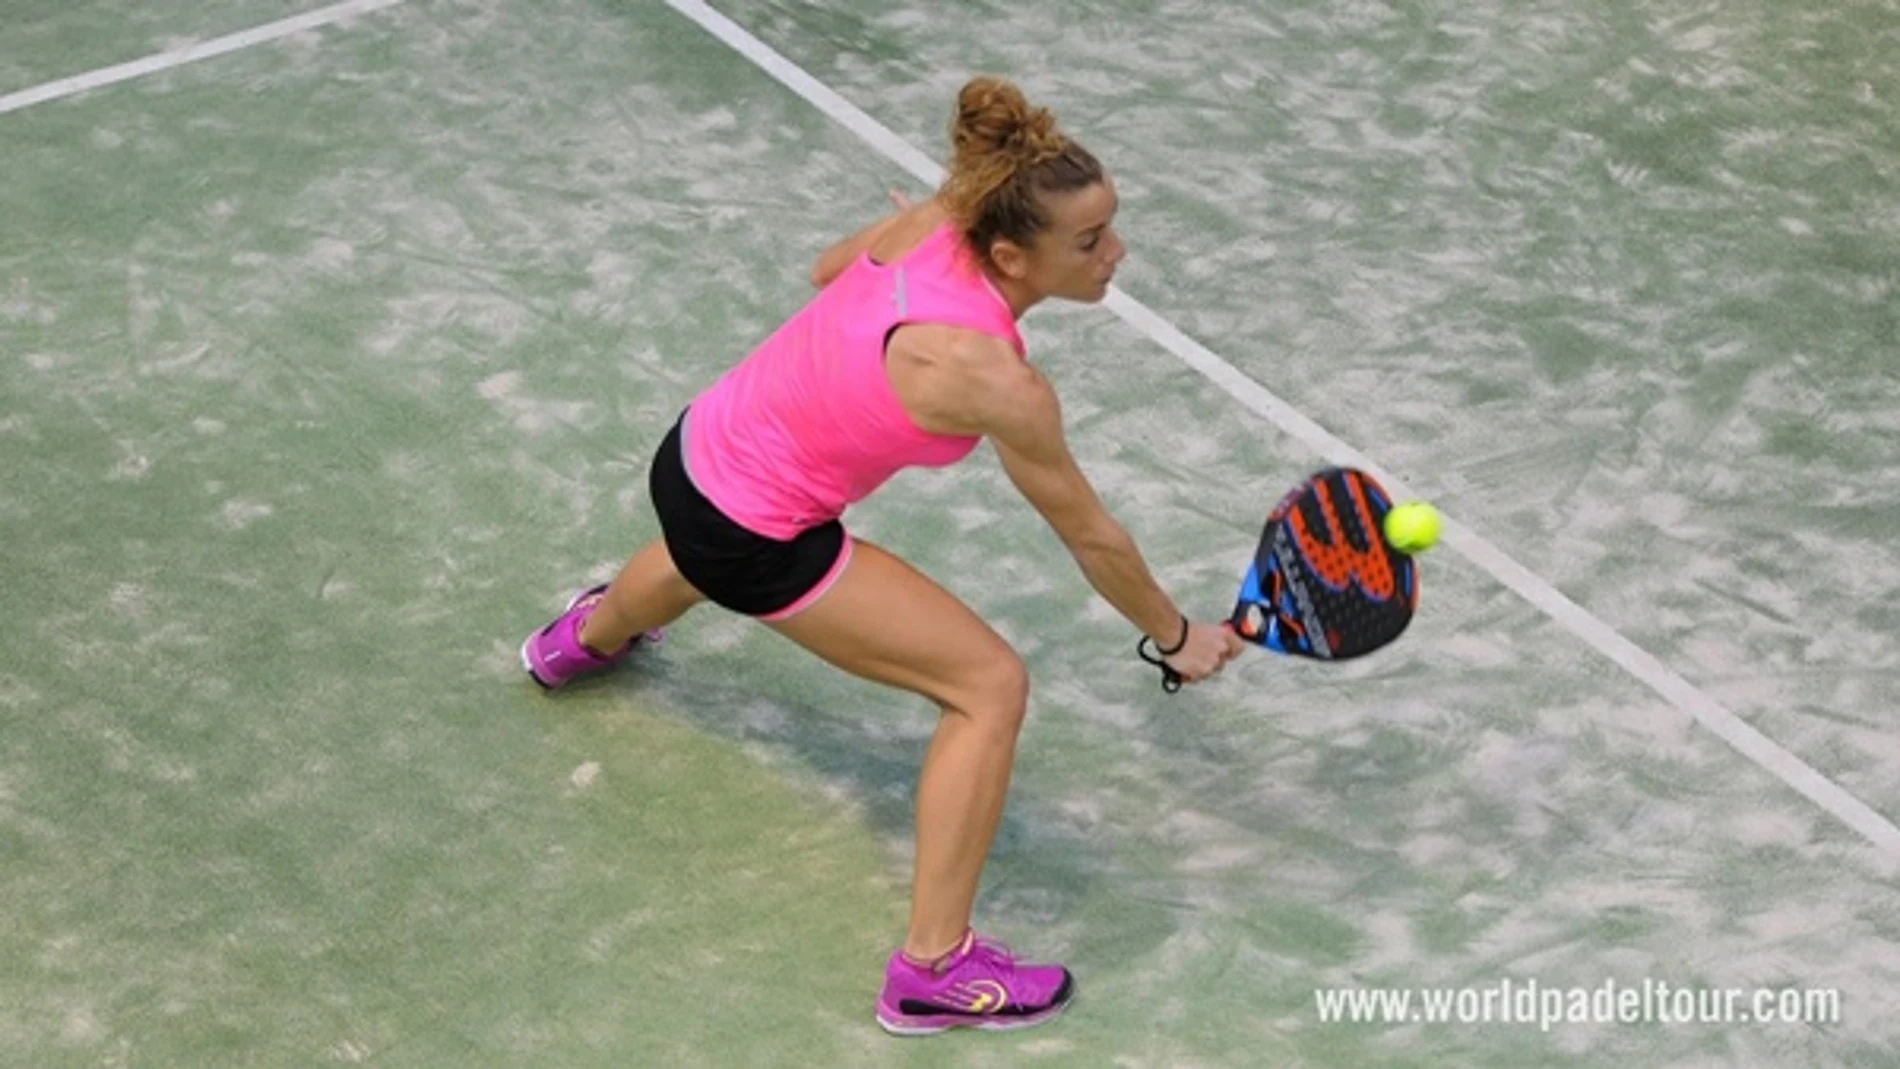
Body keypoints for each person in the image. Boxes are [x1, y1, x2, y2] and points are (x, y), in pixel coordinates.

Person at [520, 74, 1244, 1035]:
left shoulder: (938, 224)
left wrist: (921, 234)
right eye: (1089, 240)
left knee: (698, 545)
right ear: (1011, 255)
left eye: (1110, 228)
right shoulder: (992, 377)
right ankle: (932, 969)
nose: (1117, 253)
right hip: (754, 532)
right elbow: (1089, 533)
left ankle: (578, 641)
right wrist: (1175, 632)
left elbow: (830, 271)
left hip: (693, 450)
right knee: (988, 686)